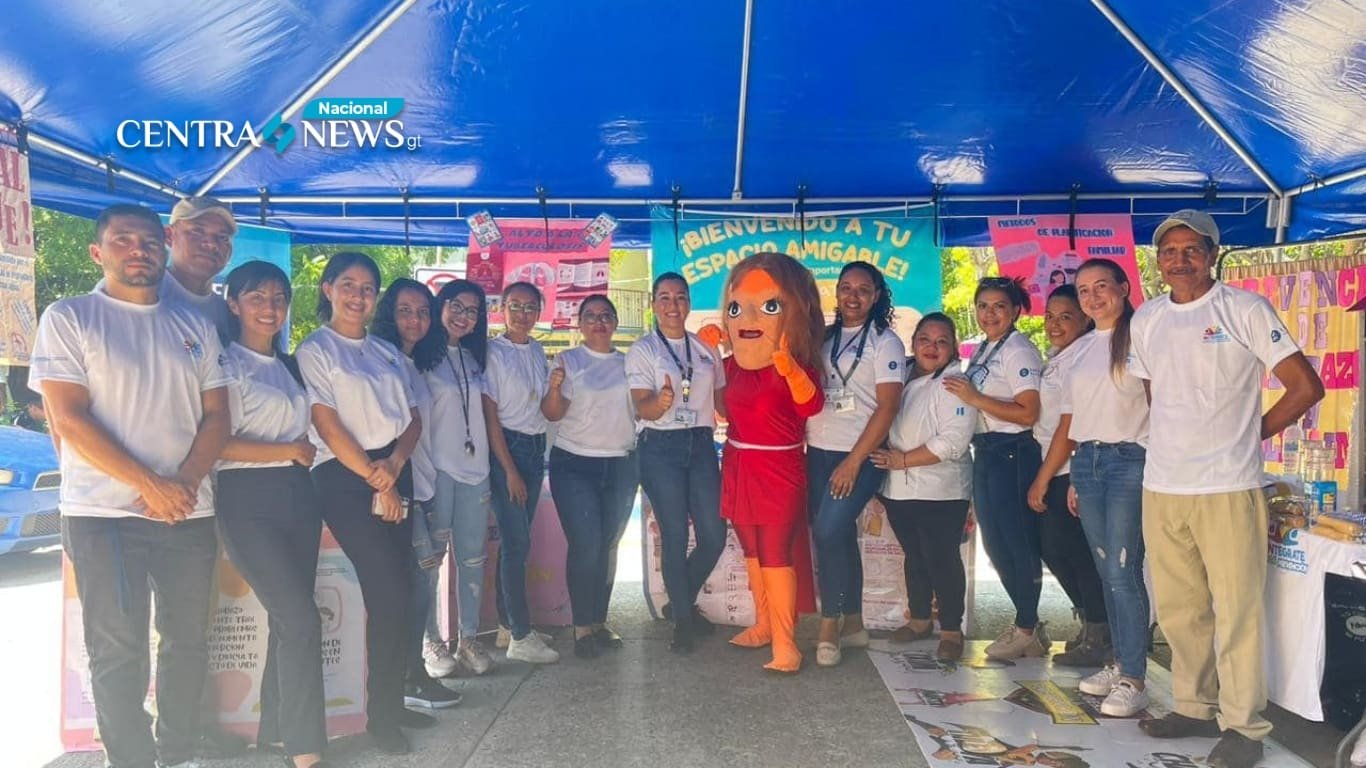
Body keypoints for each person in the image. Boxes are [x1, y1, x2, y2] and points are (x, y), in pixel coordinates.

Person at [30, 203, 230, 768]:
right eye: (123, 240)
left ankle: (179, 750)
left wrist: (183, 483)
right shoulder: (70, 317)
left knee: (187, 641)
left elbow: (218, 417)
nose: (138, 250)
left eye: (148, 241)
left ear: (165, 248)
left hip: (189, 511)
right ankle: (133, 759)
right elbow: (67, 418)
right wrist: (153, 485)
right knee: (117, 650)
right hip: (102, 515)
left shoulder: (193, 325)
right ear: (99, 251)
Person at [1130, 211, 1322, 768]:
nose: (1180, 259)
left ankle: (1243, 726)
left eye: (1192, 249)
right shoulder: (1148, 318)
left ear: (1212, 255)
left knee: (1236, 610)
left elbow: (1305, 386)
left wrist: (1253, 430)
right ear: (1159, 259)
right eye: (1170, 250)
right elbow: (1154, 394)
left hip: (1228, 485)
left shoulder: (1243, 309)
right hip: (1163, 483)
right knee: (1180, 609)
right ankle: (1193, 707)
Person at [295, 252, 434, 755]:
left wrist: (394, 467)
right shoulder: (316, 349)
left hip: (393, 470)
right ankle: (380, 719)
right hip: (345, 477)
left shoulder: (386, 352)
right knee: (389, 594)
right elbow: (327, 424)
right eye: (348, 284)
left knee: (402, 591)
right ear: (328, 289)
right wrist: (378, 481)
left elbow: (413, 418)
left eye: (368, 288)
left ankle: (393, 704)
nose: (358, 295)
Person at [215, 261, 326, 768]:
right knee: (301, 619)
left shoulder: (288, 365)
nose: (270, 307)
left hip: (297, 497)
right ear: (233, 303)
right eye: (257, 297)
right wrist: (288, 451)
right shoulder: (223, 363)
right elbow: (216, 443)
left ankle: (277, 732)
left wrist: (293, 458)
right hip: (246, 501)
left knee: (291, 620)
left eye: (279, 297)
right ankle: (306, 750)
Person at [703, 252, 824, 673]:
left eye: (770, 305)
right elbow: (720, 408)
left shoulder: (795, 365)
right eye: (736, 307)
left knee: (775, 553)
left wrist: (790, 370)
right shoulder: (731, 365)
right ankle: (763, 626)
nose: (748, 316)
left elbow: (811, 405)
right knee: (751, 551)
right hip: (738, 463)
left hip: (779, 468)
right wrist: (705, 358)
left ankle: (787, 644)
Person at [1050, 258, 1154, 717]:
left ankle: (1134, 676)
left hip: (1130, 460)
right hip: (1088, 462)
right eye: (1084, 289)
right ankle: (1118, 662)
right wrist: (1074, 473)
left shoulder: (1142, 338)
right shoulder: (1083, 348)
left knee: (1123, 573)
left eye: (1101, 286)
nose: (1093, 297)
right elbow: (1075, 418)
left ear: (1124, 287)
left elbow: (1160, 406)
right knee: (1105, 568)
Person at [805, 262, 904, 667]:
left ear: (877, 296)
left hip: (859, 456)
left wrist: (853, 462)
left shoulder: (886, 343)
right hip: (819, 451)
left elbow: (889, 406)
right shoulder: (824, 338)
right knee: (837, 534)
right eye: (846, 288)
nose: (853, 296)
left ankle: (829, 624)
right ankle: (856, 624)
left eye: (864, 289)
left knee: (829, 530)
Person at [370, 278, 463, 709]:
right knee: (415, 585)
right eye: (406, 311)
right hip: (394, 487)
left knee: (420, 583)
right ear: (389, 313)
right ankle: (410, 674)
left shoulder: (413, 363)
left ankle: (411, 673)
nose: (415, 320)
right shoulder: (380, 359)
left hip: (422, 484)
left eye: (423, 311)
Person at [943, 276, 1047, 660]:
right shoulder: (987, 348)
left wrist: (975, 397)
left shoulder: (1018, 349)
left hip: (1012, 452)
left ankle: (1026, 625)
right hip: (986, 451)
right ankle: (1029, 625)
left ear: (1016, 310)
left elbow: (1029, 412)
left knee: (1018, 542)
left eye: (999, 306)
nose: (990, 313)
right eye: (983, 306)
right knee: (995, 545)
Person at [626, 273, 727, 653]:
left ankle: (679, 601)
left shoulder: (705, 350)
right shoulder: (644, 350)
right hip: (660, 446)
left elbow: (723, 404)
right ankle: (683, 621)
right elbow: (643, 406)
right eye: (664, 298)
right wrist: (661, 403)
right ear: (654, 304)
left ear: (688, 303)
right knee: (675, 534)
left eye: (680, 297)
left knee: (714, 534)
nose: (673, 305)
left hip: (700, 445)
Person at [869, 313, 976, 662]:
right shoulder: (901, 374)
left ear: (953, 348)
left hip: (940, 491)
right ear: (913, 342)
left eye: (942, 341)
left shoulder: (954, 383)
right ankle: (918, 620)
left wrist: (902, 461)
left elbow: (953, 442)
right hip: (899, 489)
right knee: (914, 557)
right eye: (925, 339)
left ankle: (950, 629)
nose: (932, 347)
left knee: (942, 558)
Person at [542, 296, 639, 659]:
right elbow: (552, 414)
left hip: (621, 464)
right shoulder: (569, 362)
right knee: (587, 544)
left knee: (607, 545)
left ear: (615, 322)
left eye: (605, 316)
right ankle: (582, 627)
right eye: (590, 317)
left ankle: (599, 621)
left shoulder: (630, 364)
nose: (599, 322)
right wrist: (553, 389)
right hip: (575, 464)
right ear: (579, 324)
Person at [1025, 285, 1111, 668]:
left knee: (1075, 552)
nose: (1055, 324)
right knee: (1056, 549)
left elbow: (1069, 426)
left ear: (1085, 318)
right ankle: (1092, 620)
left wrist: (1044, 478)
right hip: (1053, 463)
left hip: (1069, 468)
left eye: (1065, 316)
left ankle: (1100, 632)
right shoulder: (1062, 356)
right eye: (1050, 316)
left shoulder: (1086, 355)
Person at [414, 280, 497, 676]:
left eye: (473, 311)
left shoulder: (474, 358)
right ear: (439, 306)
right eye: (456, 307)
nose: (464, 317)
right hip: (437, 472)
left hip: (476, 472)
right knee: (430, 562)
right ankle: (430, 641)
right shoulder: (419, 359)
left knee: (473, 560)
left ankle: (468, 639)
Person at [482, 281, 559, 664]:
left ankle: (508, 626)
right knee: (516, 546)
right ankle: (522, 637)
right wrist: (508, 468)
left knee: (518, 542)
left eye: (531, 307)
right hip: (507, 450)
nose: (523, 314)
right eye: (516, 306)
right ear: (502, 308)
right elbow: (490, 415)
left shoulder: (538, 350)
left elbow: (543, 406)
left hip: (533, 447)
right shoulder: (493, 352)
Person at [163, 196, 237, 340]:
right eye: (197, 231)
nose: (212, 244)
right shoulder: (145, 297)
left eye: (222, 237)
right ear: (169, 236)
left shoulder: (228, 313)